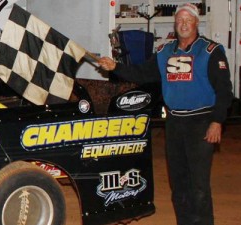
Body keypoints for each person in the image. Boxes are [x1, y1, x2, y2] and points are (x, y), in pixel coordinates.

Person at [98, 3, 233, 225]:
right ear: (175, 24)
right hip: (175, 123)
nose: (183, 24)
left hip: (201, 122)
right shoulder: (164, 52)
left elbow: (224, 90)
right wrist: (115, 67)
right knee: (178, 184)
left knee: (198, 185)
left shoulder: (210, 51)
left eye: (188, 20)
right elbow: (141, 73)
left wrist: (217, 121)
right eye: (179, 20)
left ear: (196, 23)